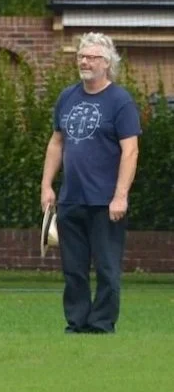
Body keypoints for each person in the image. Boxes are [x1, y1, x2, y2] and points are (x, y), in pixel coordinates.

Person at [40, 32, 140, 334]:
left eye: (92, 57)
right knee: (74, 270)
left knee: (107, 269)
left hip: (105, 202)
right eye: (82, 56)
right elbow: (57, 142)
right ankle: (77, 322)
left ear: (107, 63)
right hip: (72, 199)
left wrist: (120, 195)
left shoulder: (120, 101)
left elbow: (130, 150)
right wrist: (47, 185)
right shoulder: (67, 97)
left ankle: (101, 324)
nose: (85, 61)